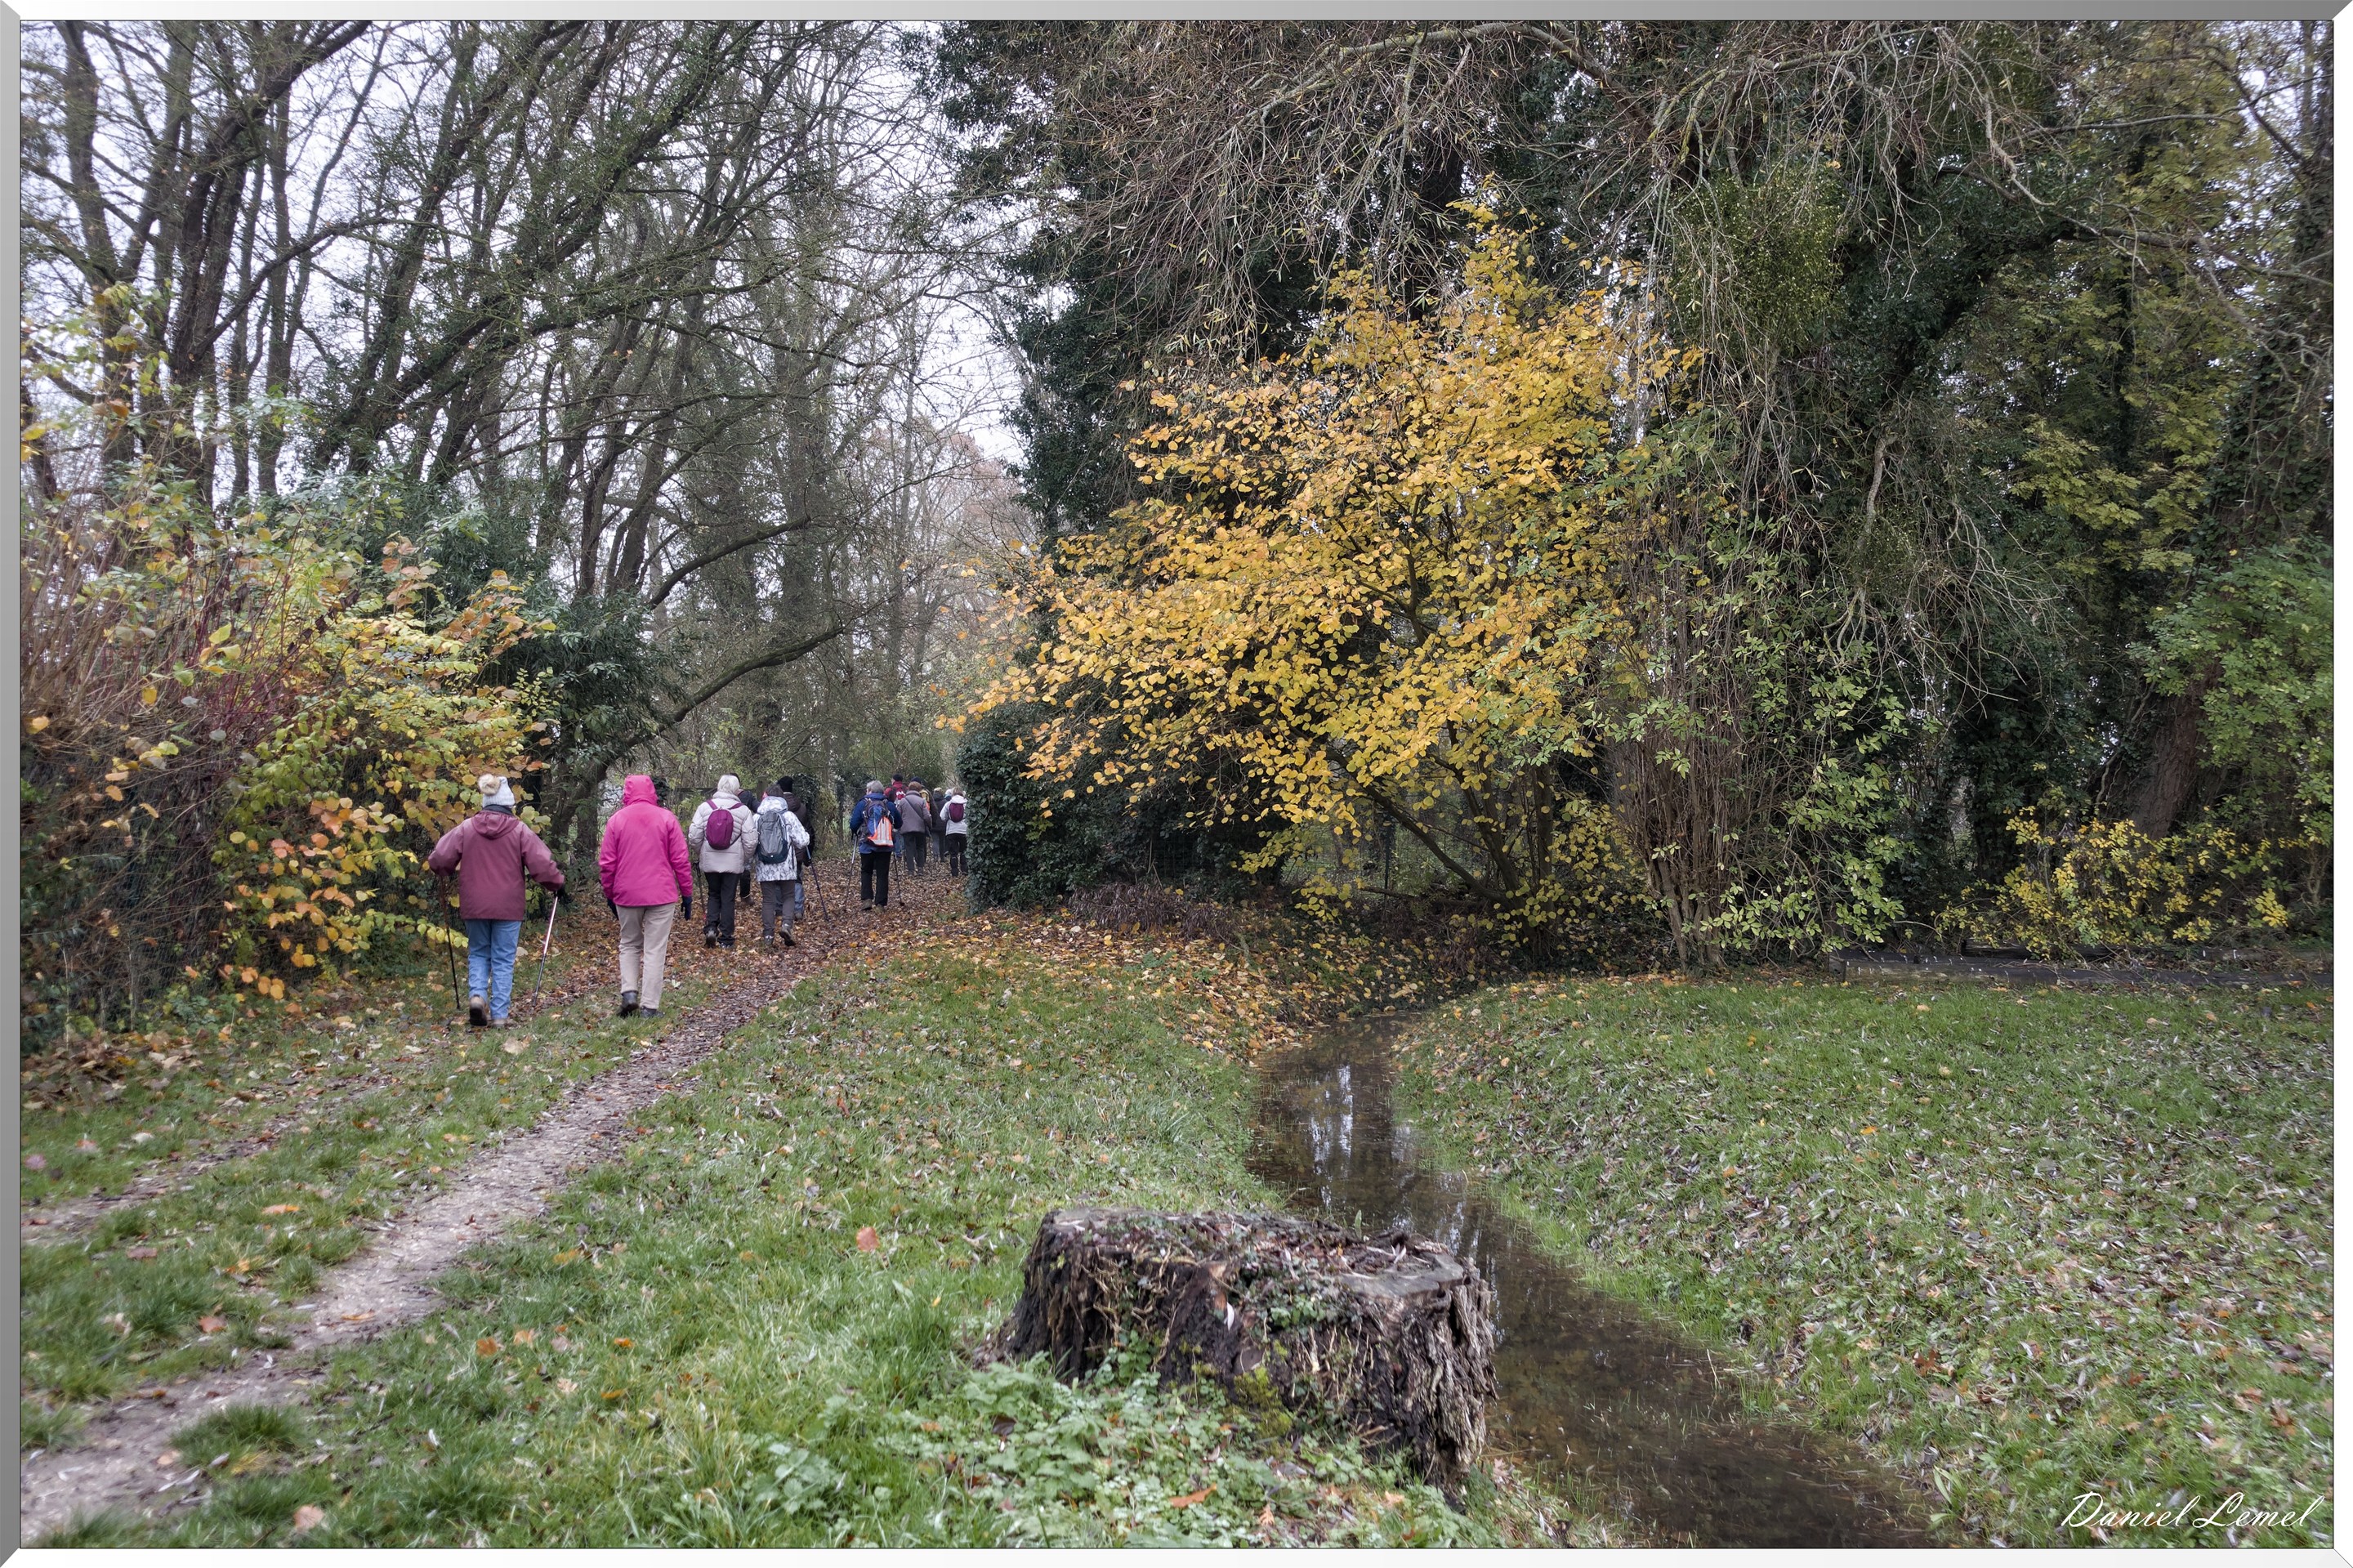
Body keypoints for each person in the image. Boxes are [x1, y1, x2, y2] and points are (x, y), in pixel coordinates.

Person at [427, 774, 565, 1028]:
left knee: (478, 952)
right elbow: (542, 865)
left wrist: (440, 869)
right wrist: (557, 884)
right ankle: (500, 1015)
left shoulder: (467, 829)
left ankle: (478, 997)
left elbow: (439, 859)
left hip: (474, 904)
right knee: (503, 958)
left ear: (485, 802)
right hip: (508, 906)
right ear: (509, 805)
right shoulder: (519, 830)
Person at [597, 773, 694, 1017]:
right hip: (661, 894)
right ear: (652, 791)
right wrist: (687, 893)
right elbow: (680, 861)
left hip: (626, 893)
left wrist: (610, 893)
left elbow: (607, 863)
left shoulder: (616, 821)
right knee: (654, 949)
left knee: (629, 943)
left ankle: (629, 992)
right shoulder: (667, 818)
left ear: (626, 793)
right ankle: (650, 1006)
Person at [688, 775, 755, 947]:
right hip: (733, 864)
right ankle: (726, 938)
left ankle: (711, 928)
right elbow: (751, 841)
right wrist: (744, 857)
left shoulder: (705, 808)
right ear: (736, 789)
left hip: (710, 861)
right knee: (728, 898)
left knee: (713, 894)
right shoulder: (743, 810)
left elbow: (694, 836)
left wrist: (702, 852)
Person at [752, 778, 810, 945]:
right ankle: (786, 925)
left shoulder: (757, 817)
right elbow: (802, 841)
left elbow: (750, 842)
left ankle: (768, 936)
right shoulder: (788, 816)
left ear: (766, 797)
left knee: (768, 900)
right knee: (789, 896)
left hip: (764, 866)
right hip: (786, 865)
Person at [849, 779, 900, 909]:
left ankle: (867, 899)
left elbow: (853, 824)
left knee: (866, 871)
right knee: (883, 873)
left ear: (870, 790)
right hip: (885, 844)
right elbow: (899, 823)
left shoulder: (862, 804)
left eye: (867, 789)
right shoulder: (889, 804)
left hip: (867, 844)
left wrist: (857, 832)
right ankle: (880, 903)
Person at [898, 779, 931, 876]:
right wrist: (929, 825)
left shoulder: (903, 801)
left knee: (909, 848)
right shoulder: (921, 801)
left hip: (907, 829)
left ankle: (911, 870)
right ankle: (920, 868)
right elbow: (926, 816)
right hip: (920, 828)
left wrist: (899, 826)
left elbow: (898, 815)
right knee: (920, 847)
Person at [941, 784, 969, 878]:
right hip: (964, 830)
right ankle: (965, 869)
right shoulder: (966, 803)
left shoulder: (948, 804)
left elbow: (942, 817)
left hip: (951, 831)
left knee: (953, 853)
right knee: (964, 850)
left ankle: (954, 872)